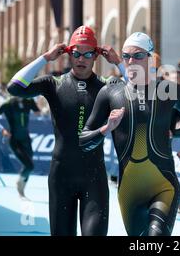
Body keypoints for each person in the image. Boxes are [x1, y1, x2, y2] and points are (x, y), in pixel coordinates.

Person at [79, 32, 180, 236]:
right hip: (130, 192)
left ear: (150, 58)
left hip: (164, 186)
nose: (131, 61)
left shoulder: (169, 90)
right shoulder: (110, 93)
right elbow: (83, 140)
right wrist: (107, 128)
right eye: (126, 56)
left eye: (138, 55)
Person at [7, 25, 123, 236]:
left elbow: (142, 95)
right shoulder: (54, 83)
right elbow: (14, 87)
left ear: (96, 55)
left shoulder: (107, 85)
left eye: (88, 53)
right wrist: (45, 58)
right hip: (61, 176)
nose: (81, 58)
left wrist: (118, 63)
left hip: (93, 178)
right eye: (76, 52)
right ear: (68, 53)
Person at [0, 96, 40, 198]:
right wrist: (2, 130)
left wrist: (37, 102)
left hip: (26, 139)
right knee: (29, 166)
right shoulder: (8, 102)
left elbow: (37, 112)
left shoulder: (28, 100)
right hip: (14, 140)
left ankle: (22, 191)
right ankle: (19, 185)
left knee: (28, 166)